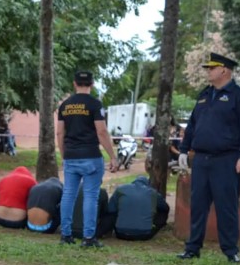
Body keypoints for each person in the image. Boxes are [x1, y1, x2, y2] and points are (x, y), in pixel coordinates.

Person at [177, 53, 240, 263]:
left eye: (212, 68)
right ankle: (192, 247)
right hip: (202, 159)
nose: (208, 71)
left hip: (226, 159)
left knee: (226, 206)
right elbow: (193, 124)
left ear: (224, 70)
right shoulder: (205, 94)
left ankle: (230, 250)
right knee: (198, 205)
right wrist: (184, 149)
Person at [57, 70, 118, 248]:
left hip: (71, 156)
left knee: (68, 195)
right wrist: (112, 156)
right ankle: (88, 237)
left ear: (74, 83)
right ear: (92, 84)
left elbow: (60, 133)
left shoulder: (65, 105)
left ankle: (65, 235)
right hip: (91, 156)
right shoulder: (95, 104)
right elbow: (102, 131)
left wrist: (64, 154)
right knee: (91, 196)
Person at [108, 176, 169, 240]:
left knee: (113, 210)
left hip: (120, 233)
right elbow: (165, 207)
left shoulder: (120, 189)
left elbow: (110, 209)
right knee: (163, 211)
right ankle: (152, 225)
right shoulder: (153, 192)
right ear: (147, 184)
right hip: (145, 234)